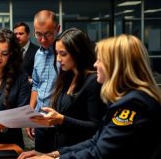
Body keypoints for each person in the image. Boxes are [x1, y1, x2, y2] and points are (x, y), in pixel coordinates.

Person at [18, 34, 161, 159]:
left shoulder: (133, 104)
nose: (95, 64)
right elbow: (95, 141)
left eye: (100, 60)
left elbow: (101, 153)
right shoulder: (128, 99)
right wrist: (52, 154)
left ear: (116, 65)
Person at [20, 28, 106, 154]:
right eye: (57, 54)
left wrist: (61, 119)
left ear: (77, 53)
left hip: (80, 152)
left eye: (63, 54)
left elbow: (95, 127)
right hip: (61, 150)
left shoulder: (93, 81)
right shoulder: (66, 76)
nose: (58, 59)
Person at [27, 10, 60, 153]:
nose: (42, 39)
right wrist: (29, 114)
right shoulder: (38, 54)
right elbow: (36, 85)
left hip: (59, 121)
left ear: (57, 29)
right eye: (38, 34)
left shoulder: (64, 53)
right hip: (40, 121)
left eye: (47, 34)